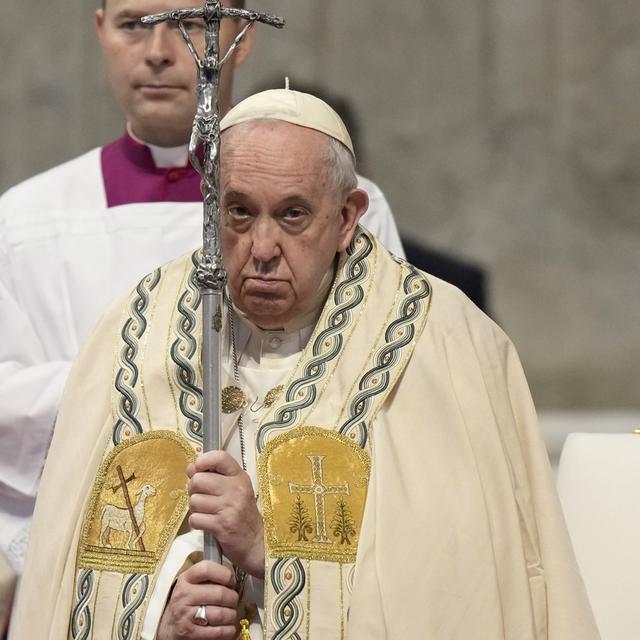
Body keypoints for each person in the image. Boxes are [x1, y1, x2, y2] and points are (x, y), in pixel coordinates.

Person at [12, 89, 598, 639]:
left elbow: (456, 582)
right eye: (239, 212)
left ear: (347, 217)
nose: (262, 248)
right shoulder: (135, 335)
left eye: (293, 215)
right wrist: (162, 609)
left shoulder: (441, 343)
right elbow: (73, 570)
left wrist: (268, 552)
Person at [0, 0, 404, 591]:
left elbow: (376, 375)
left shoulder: (342, 202)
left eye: (189, 23)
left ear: (239, 36)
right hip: (103, 552)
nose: (159, 51)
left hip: (285, 553)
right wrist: (151, 380)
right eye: (135, 24)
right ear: (100, 31)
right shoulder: (24, 220)